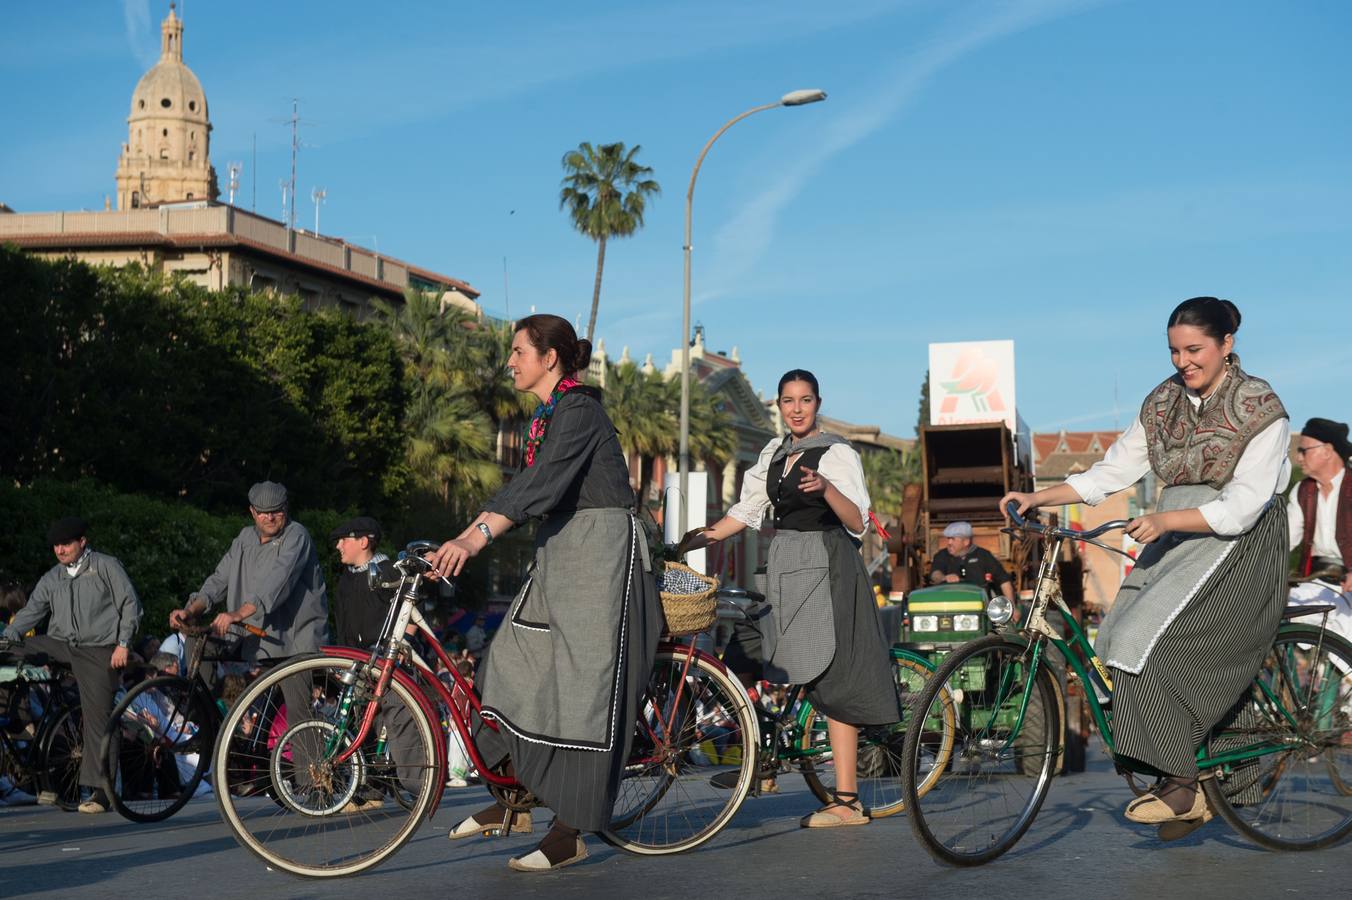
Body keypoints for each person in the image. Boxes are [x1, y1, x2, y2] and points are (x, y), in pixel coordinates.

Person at [1002, 297, 1289, 841]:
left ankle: (1181, 782)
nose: (1183, 361)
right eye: (1175, 351)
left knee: (1151, 640)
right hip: (1176, 529)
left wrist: (1166, 519)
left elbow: (1244, 505)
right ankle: (1186, 779)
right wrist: (1039, 497)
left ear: (1227, 344)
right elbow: (1114, 470)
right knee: (1114, 637)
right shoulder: (1162, 402)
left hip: (1241, 542)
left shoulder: (1260, 406)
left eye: (1195, 349)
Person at [427, 313, 661, 872]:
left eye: (517, 351)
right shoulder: (551, 414)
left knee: (585, 689)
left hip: (599, 553)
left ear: (548, 358)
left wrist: (475, 535)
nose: (509, 361)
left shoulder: (579, 411)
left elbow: (542, 482)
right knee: (510, 660)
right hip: (561, 550)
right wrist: (466, 532)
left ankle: (570, 831)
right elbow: (529, 487)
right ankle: (514, 797)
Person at [684, 368, 902, 827]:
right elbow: (746, 511)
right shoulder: (774, 451)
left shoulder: (836, 451)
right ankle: (759, 761)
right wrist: (698, 539)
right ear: (780, 406)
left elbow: (858, 520)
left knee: (835, 677)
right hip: (784, 563)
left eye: (805, 400)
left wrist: (826, 488)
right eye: (788, 401)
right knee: (744, 648)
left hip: (828, 562)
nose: (797, 408)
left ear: (817, 403)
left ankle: (847, 802)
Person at [168, 481, 329, 771]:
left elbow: (277, 583)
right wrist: (190, 609)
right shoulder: (244, 538)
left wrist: (237, 613)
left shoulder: (297, 536)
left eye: (276, 512)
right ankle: (210, 724)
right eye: (263, 513)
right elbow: (219, 580)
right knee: (196, 641)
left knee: (298, 710)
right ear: (252, 512)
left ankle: (316, 782)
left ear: (286, 509)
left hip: (292, 639)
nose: (270, 518)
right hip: (252, 632)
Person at [2, 517, 142, 813]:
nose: (61, 550)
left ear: (82, 542)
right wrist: (8, 637)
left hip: (100, 649)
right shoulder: (53, 577)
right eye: (56, 546)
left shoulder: (105, 566)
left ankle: (102, 793)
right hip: (62, 644)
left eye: (66, 544)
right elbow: (31, 612)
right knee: (10, 647)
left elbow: (130, 604)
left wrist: (124, 644)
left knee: (99, 720)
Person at [1286, 417, 1352, 643]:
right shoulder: (1303, 491)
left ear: (1327, 450)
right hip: (1315, 582)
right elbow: (1283, 541)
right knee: (1277, 612)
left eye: (1304, 450)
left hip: (1349, 583)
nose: (1298, 457)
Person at [927, 520, 1016, 603]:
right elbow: (935, 574)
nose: (949, 543)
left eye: (953, 539)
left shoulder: (983, 555)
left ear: (966, 541)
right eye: (948, 539)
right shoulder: (942, 555)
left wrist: (1011, 608)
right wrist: (944, 578)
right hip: (949, 604)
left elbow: (1004, 581)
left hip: (979, 604)